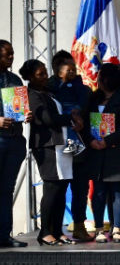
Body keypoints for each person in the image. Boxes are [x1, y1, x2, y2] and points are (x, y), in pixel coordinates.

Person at [23, 59, 83, 246]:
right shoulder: (32, 94)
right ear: (30, 77)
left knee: (62, 187)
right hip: (47, 146)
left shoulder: (48, 92)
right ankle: (45, 232)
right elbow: (47, 119)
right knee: (52, 189)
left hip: (62, 144)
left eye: (45, 72)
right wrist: (70, 118)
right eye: (40, 74)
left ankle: (58, 231)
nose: (45, 76)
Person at [81, 63, 120, 243]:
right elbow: (84, 122)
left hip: (117, 149)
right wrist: (91, 141)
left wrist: (107, 141)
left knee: (119, 189)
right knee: (98, 191)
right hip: (96, 151)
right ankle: (99, 228)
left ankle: (117, 228)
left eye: (101, 78)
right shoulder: (93, 98)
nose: (98, 81)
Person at [46, 50, 94, 242]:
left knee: (80, 187)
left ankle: (79, 226)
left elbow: (87, 110)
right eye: (69, 67)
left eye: (74, 66)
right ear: (57, 69)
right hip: (57, 145)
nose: (73, 70)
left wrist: (79, 115)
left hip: (78, 145)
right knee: (57, 187)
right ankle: (52, 229)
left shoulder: (84, 89)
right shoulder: (49, 89)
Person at [0, 40, 30, 248]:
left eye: (12, 54)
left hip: (14, 141)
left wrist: (26, 114)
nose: (11, 57)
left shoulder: (14, 79)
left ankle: (4, 235)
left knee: (6, 189)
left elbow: (19, 106)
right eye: (7, 54)